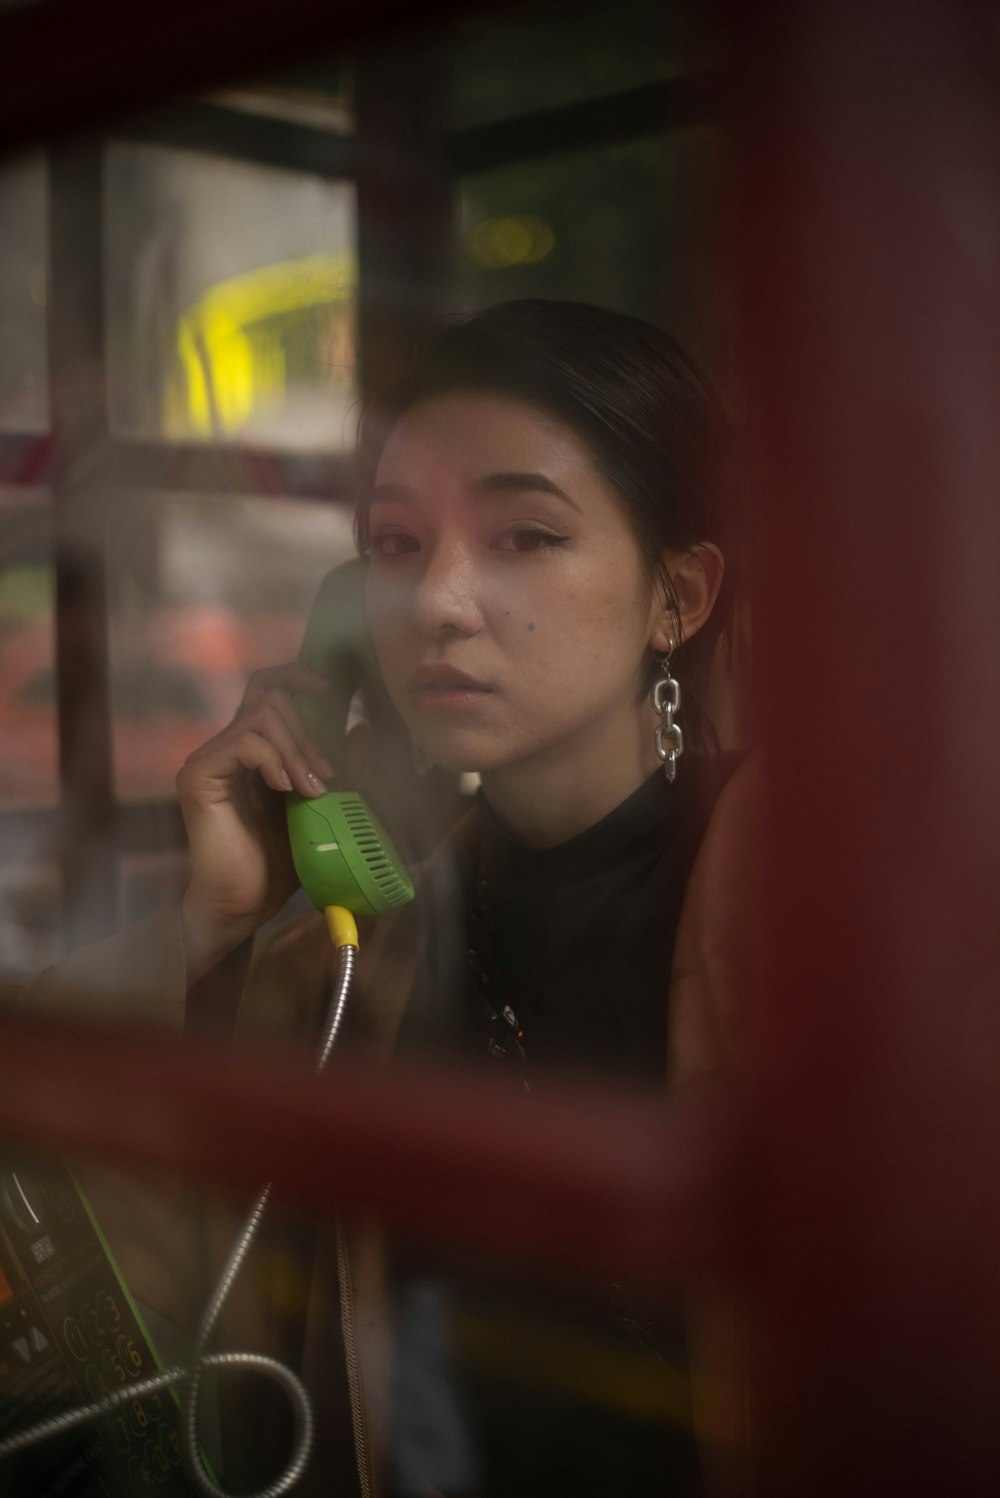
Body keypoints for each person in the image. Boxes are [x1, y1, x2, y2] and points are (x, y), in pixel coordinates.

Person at [25, 300, 754, 1497]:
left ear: (677, 594)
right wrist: (214, 919)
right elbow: (113, 1282)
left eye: (524, 535)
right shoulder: (354, 952)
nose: (437, 604)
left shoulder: (788, 903)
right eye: (397, 545)